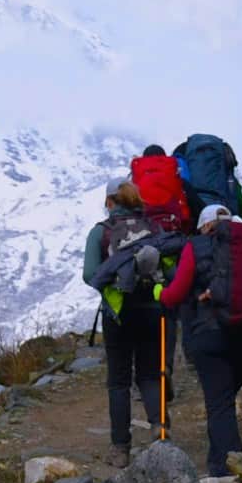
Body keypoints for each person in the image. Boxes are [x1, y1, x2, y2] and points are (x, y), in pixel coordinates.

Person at [161, 204, 242, 478]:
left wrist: (159, 293)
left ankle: (230, 474)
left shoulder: (195, 246)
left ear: (204, 225)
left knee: (219, 403)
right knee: (223, 399)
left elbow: (175, 294)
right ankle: (217, 461)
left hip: (212, 336)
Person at [84, 182, 165, 468]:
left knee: (119, 381)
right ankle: (159, 427)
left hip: (118, 313)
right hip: (152, 309)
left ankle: (120, 448)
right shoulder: (152, 227)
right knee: (150, 374)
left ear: (109, 201)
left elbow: (89, 273)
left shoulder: (101, 230)